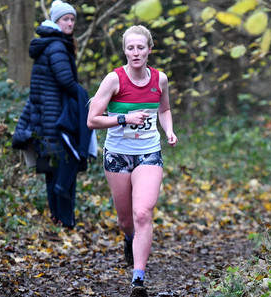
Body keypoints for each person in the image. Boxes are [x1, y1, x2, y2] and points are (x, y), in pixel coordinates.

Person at [87, 25, 177, 296]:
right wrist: (124, 118)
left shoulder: (160, 79)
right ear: (124, 50)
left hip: (149, 153)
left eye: (140, 48)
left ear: (150, 49)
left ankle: (138, 280)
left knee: (142, 214)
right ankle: (129, 239)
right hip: (117, 155)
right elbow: (92, 120)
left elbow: (165, 109)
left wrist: (169, 130)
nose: (135, 53)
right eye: (130, 48)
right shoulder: (113, 80)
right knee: (126, 220)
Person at [12, 0, 96, 230]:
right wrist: (84, 95)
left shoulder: (48, 44)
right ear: (56, 21)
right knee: (66, 164)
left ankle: (57, 219)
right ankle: (65, 221)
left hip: (46, 118)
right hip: (58, 120)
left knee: (53, 169)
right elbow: (66, 82)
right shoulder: (58, 46)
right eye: (65, 19)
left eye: (72, 19)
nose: (70, 23)